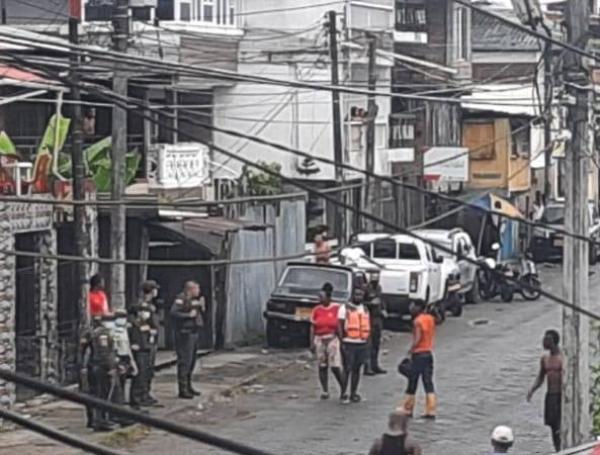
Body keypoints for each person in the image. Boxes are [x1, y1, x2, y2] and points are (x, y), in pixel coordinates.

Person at [527, 329, 563, 452]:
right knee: (553, 425)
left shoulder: (562, 358)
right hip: (550, 395)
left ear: (554, 342)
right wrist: (532, 389)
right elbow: (541, 376)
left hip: (560, 395)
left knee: (560, 425)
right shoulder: (545, 358)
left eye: (547, 340)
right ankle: (557, 448)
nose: (544, 342)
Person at [81, 314, 118, 432]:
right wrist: (111, 367)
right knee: (102, 394)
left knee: (93, 394)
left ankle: (93, 420)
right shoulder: (102, 334)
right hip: (100, 367)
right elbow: (104, 354)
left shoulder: (89, 333)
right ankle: (101, 421)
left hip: (91, 367)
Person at [400, 301, 437, 419]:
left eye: (413, 305)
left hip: (418, 354)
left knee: (412, 381)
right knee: (428, 382)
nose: (411, 307)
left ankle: (408, 408)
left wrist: (409, 351)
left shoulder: (417, 321)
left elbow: (417, 339)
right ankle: (431, 410)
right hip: (428, 353)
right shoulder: (430, 319)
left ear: (418, 307)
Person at [170, 281, 206, 399]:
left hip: (194, 332)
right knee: (185, 361)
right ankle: (183, 389)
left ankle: (189, 386)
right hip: (185, 334)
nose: (199, 291)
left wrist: (202, 305)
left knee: (191, 362)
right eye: (197, 289)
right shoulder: (181, 299)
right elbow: (174, 312)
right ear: (190, 289)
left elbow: (199, 311)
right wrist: (188, 316)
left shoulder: (195, 300)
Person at [310, 283, 344, 400]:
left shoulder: (337, 308)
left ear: (329, 298)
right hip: (319, 339)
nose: (320, 299)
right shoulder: (316, 310)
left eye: (322, 297)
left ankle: (343, 388)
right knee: (322, 365)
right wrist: (312, 343)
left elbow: (339, 325)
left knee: (335, 366)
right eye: (319, 297)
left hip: (332, 338)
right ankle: (325, 390)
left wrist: (342, 340)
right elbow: (313, 327)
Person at [338, 287, 370, 403]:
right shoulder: (344, 308)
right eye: (356, 295)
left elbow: (367, 326)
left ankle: (353, 393)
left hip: (361, 343)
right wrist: (341, 342)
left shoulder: (365, 309)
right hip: (348, 343)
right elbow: (340, 326)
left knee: (357, 369)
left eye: (361, 295)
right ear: (352, 295)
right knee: (347, 369)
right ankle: (343, 393)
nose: (359, 297)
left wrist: (367, 344)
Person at [139, 280, 161, 404]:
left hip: (151, 341)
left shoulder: (150, 305)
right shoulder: (143, 305)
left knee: (149, 370)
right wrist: (149, 331)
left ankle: (146, 393)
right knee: (144, 370)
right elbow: (141, 322)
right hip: (145, 341)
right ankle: (141, 395)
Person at [129, 303, 154, 408]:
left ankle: (143, 396)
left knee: (145, 375)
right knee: (139, 376)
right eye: (144, 311)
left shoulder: (145, 323)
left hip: (146, 349)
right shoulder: (133, 323)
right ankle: (136, 399)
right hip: (139, 352)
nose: (146, 313)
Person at [364, 271, 387, 376]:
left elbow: (382, 301)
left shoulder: (379, 288)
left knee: (376, 343)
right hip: (368, 318)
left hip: (378, 318)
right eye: (373, 277)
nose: (375, 279)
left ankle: (375, 365)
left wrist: (384, 309)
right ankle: (367, 367)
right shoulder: (366, 288)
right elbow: (360, 303)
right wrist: (370, 304)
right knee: (369, 344)